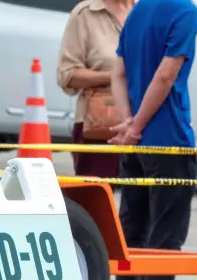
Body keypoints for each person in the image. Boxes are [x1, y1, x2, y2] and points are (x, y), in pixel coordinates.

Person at [107, 0, 197, 280]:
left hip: (135, 142)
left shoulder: (139, 10)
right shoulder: (185, 13)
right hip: (168, 139)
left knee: (132, 228)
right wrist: (138, 125)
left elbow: (117, 73)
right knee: (166, 233)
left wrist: (129, 123)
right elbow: (166, 75)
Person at [57, 0, 134, 179]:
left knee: (142, 194)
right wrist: (115, 76)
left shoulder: (146, 10)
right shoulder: (85, 13)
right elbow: (67, 75)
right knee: (95, 193)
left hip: (142, 121)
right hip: (99, 123)